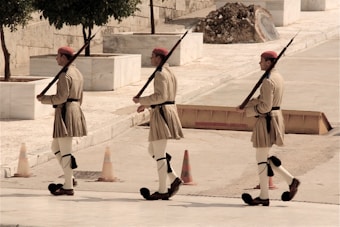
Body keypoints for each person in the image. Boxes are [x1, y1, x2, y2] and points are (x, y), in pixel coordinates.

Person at [236, 50, 300, 206]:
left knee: (260, 158)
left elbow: (265, 106)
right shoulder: (278, 77)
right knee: (264, 158)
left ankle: (264, 196)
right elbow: (264, 99)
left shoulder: (267, 80)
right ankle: (290, 181)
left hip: (267, 120)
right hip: (275, 117)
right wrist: (249, 103)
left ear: (269, 62)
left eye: (262, 60)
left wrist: (248, 111)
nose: (260, 63)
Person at [133, 47, 184, 200]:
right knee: (152, 150)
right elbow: (165, 96)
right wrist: (147, 104)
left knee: (160, 154)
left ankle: (162, 190)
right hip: (165, 110)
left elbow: (160, 96)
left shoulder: (160, 73)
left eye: (153, 56)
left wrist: (142, 100)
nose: (151, 59)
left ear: (159, 58)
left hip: (162, 113)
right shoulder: (170, 72)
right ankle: (174, 178)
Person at [37, 46, 87, 196]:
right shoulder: (77, 73)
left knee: (65, 151)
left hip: (66, 110)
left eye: (58, 56)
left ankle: (68, 186)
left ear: (64, 57)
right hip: (75, 108)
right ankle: (70, 176)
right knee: (56, 147)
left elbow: (61, 97)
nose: (56, 59)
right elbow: (81, 97)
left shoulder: (65, 74)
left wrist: (44, 99)